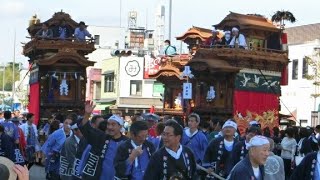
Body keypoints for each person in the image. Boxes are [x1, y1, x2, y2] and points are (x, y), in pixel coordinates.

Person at [79, 101, 128, 180]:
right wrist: (87, 114)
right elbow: (86, 128)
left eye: (113, 124)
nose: (110, 127)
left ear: (120, 127)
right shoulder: (102, 137)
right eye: (108, 124)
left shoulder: (127, 142)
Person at [42, 113, 76, 180]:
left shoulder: (74, 135)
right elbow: (47, 145)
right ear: (63, 123)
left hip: (67, 162)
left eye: (69, 124)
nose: (67, 125)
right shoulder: (56, 133)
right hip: (55, 159)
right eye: (66, 123)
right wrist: (44, 157)